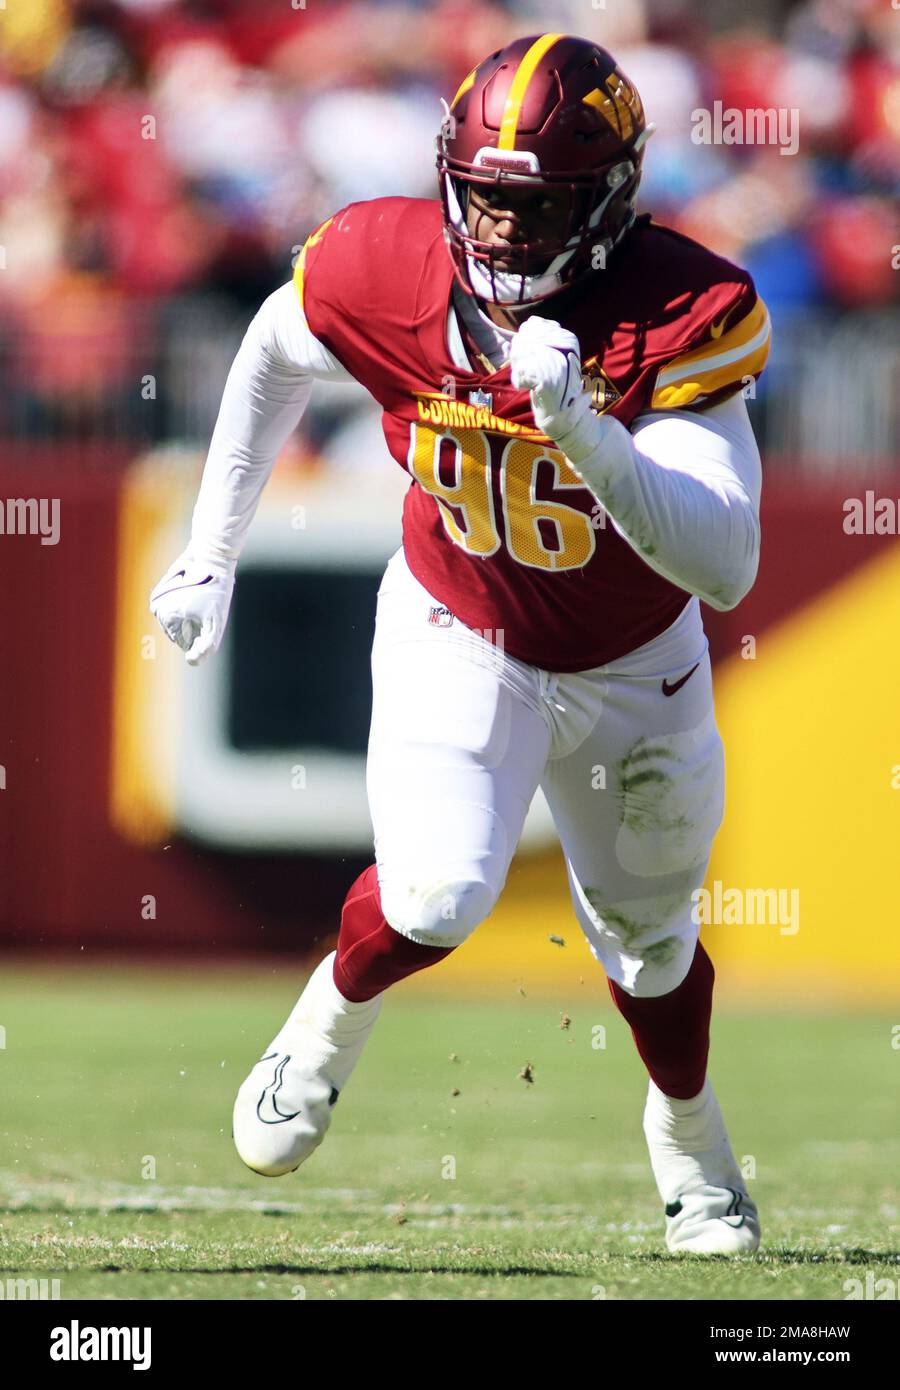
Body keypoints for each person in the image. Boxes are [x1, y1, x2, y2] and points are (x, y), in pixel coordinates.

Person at [150, 33, 770, 1255]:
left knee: (649, 950)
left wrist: (584, 426)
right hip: (459, 624)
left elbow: (725, 562)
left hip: (637, 667)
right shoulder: (381, 259)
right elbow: (277, 349)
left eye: (529, 206)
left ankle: (691, 1141)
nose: (495, 231)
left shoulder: (680, 308)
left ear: (603, 205)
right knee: (437, 891)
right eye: (481, 196)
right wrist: (210, 546)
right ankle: (325, 1022)